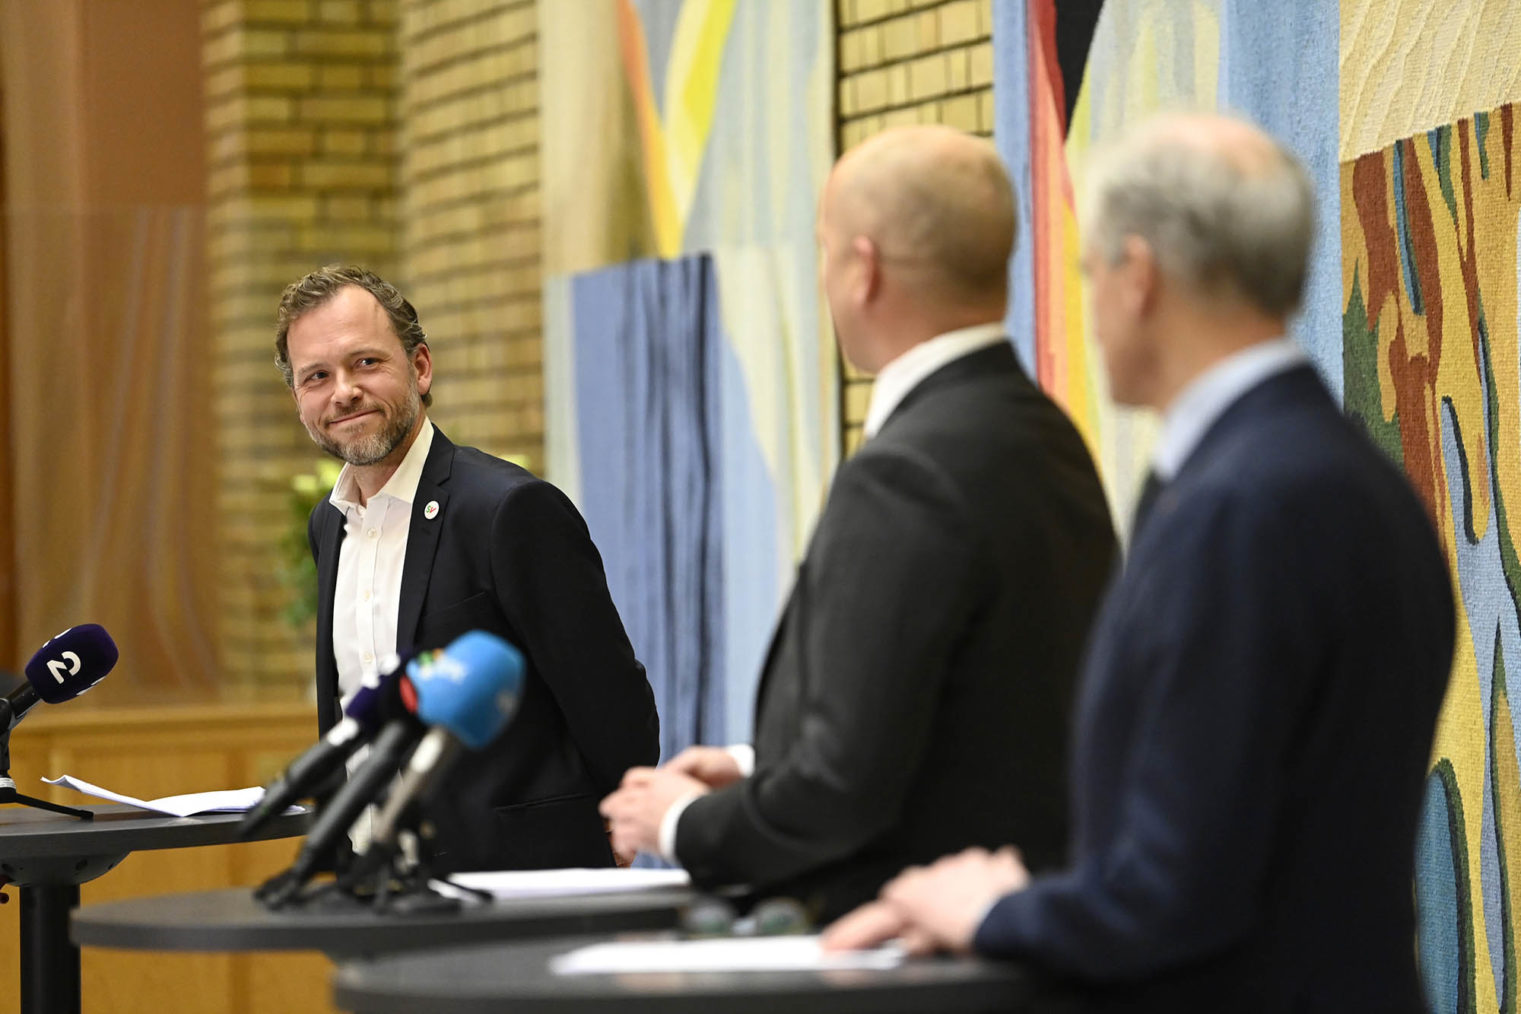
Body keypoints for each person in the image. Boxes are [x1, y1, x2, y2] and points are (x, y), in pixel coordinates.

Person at [824, 113, 1456, 1011]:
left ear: (1140, 276)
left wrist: (995, 911)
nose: (1088, 304)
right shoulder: (1349, 481)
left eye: (1088, 272)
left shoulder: (1239, 514)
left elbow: (1171, 896)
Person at [599, 125, 1117, 923]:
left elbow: (843, 789)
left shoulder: (906, 471)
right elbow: (965, 717)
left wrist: (677, 819)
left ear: (863, 269)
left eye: (824, 249)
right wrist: (757, 768)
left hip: (909, 949)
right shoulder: (1045, 435)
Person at [275, 265, 659, 871]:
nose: (342, 391)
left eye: (366, 363)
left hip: (520, 882)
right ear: (298, 397)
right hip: (377, 884)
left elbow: (612, 703)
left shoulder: (508, 510)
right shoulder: (329, 525)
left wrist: (621, 821)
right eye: (317, 376)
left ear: (420, 368)